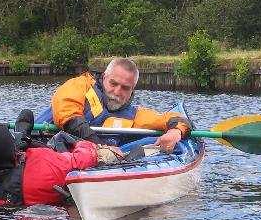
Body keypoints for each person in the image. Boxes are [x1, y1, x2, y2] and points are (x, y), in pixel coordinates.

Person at [36, 57, 192, 152]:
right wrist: (100, 146)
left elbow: (178, 119)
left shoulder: (135, 115)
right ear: (104, 77)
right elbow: (67, 115)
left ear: (132, 90)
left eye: (125, 88)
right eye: (113, 83)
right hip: (43, 144)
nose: (117, 91)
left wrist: (175, 132)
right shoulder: (80, 85)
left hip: (88, 164)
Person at [0, 121, 119, 206]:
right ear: (14, 152)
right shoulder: (44, 170)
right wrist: (84, 144)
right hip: (35, 216)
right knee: (62, 138)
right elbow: (83, 159)